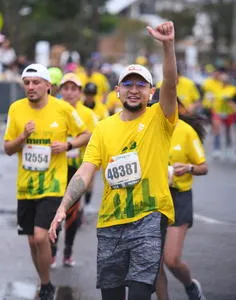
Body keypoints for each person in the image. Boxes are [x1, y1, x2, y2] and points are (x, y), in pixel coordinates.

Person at [49, 21, 178, 300]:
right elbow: (86, 170)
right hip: (110, 224)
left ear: (150, 92)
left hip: (148, 217)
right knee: (111, 295)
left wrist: (167, 46)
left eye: (141, 85)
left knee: (141, 293)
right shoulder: (103, 127)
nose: (134, 89)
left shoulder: (159, 119)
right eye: (128, 84)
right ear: (117, 91)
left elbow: (171, 83)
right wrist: (63, 207)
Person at [3, 63, 90, 300]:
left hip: (53, 184)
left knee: (41, 236)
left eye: (36, 82)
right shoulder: (16, 109)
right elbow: (8, 149)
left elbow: (86, 134)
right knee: (32, 240)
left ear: (48, 86)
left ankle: (46, 284)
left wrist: (68, 145)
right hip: (26, 186)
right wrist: (23, 136)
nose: (30, 87)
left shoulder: (62, 109)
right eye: (27, 83)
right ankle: (45, 282)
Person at [155, 99, 208, 300]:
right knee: (155, 264)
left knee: (171, 260)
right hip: (154, 198)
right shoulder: (148, 129)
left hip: (179, 198)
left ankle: (190, 285)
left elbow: (203, 167)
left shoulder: (186, 131)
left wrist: (188, 168)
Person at [50, 73, 97, 268]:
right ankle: (52, 251)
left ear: (80, 92)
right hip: (53, 169)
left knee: (71, 213)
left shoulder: (88, 115)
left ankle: (68, 250)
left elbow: (95, 141)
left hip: (77, 170)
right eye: (66, 88)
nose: (69, 93)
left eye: (74, 89)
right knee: (53, 210)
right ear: (60, 91)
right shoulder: (53, 110)